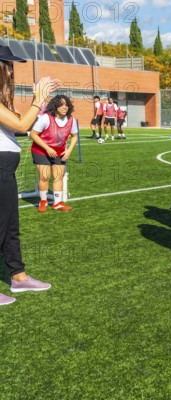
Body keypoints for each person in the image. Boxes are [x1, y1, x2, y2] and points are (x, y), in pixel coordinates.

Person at [0, 45, 58, 305]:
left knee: (11, 229)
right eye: (8, 66)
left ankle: (19, 277)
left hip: (6, 170)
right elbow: (23, 124)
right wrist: (38, 99)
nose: (12, 71)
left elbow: (23, 124)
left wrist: (42, 102)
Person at [29, 94, 78, 212]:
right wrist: (47, 148)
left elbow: (75, 136)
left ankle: (57, 203)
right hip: (41, 151)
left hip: (59, 153)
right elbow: (33, 134)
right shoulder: (45, 118)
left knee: (58, 177)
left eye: (66, 105)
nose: (64, 107)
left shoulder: (71, 119)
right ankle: (43, 201)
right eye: (61, 105)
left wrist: (69, 151)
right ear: (55, 106)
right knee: (45, 176)